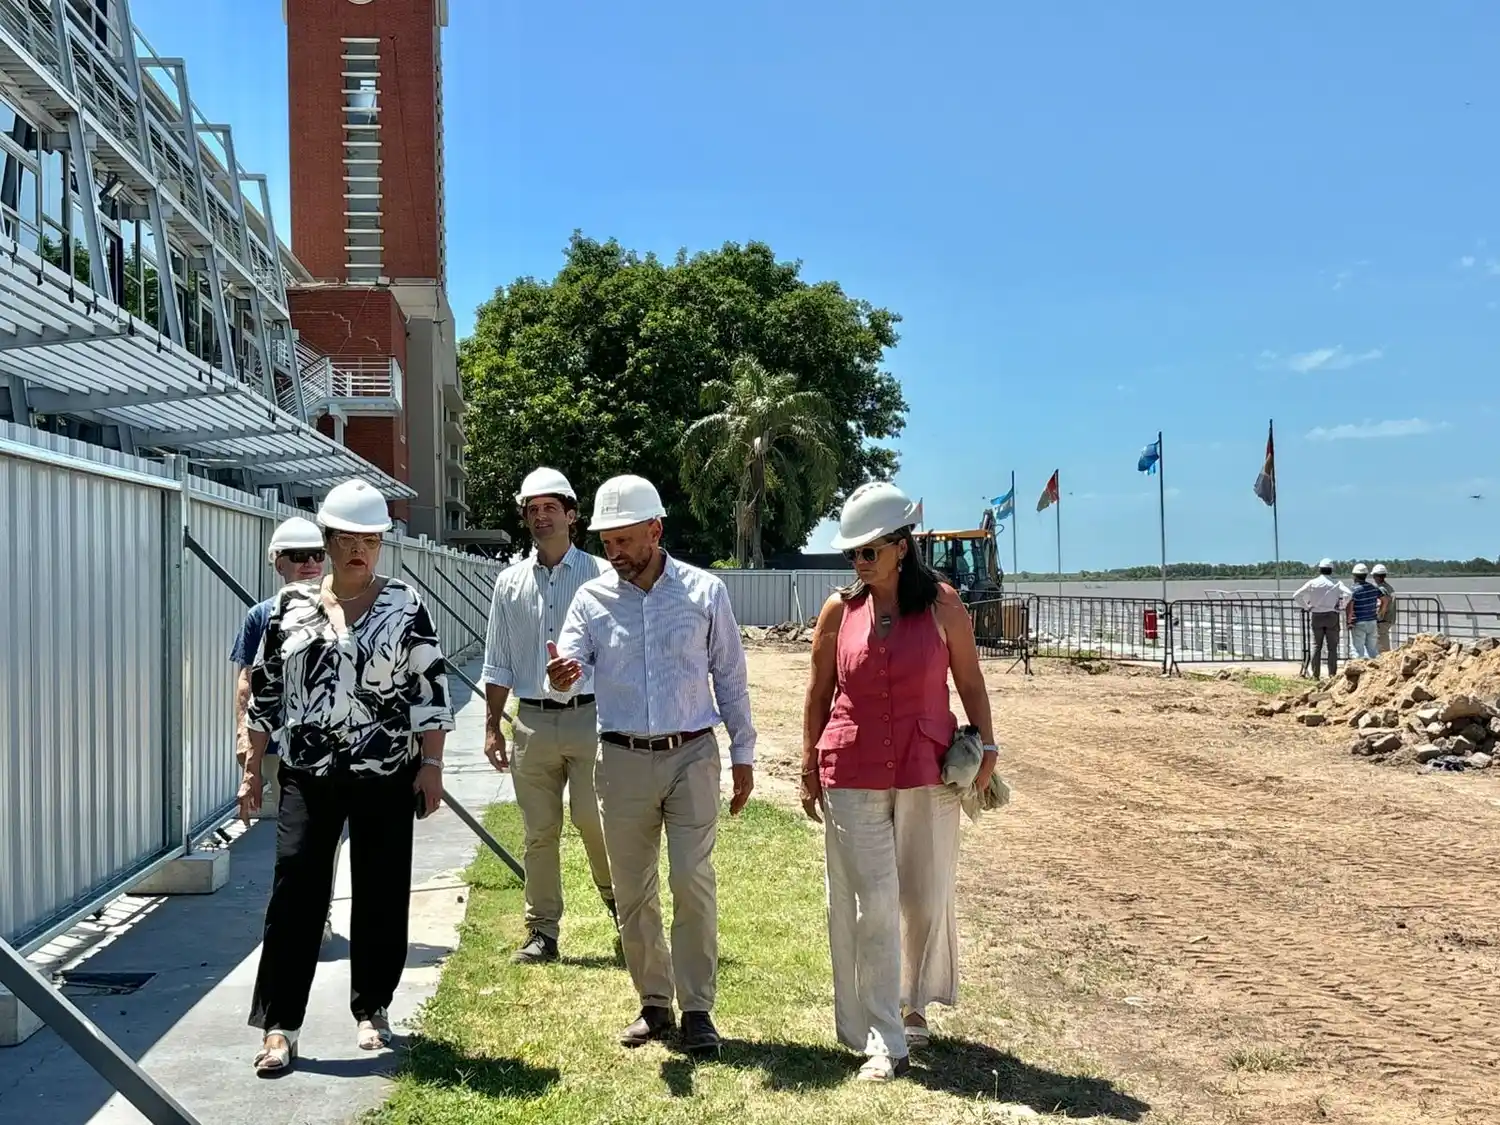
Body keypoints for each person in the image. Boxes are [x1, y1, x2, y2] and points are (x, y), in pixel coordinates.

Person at [238, 478, 454, 1075]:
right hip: (308, 773)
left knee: (382, 889)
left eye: (372, 541)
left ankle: (373, 1009)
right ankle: (280, 1025)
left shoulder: (405, 605)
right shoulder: (290, 608)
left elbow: (429, 692)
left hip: (386, 772)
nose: (361, 550)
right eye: (349, 539)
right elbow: (265, 692)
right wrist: (251, 764)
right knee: (295, 891)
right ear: (328, 541)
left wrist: (431, 764)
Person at [546, 474, 755, 1055]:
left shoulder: (704, 592)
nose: (614, 555)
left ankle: (698, 1010)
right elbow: (569, 665)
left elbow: (731, 678)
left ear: (655, 530)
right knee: (635, 890)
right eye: (607, 543)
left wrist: (743, 754)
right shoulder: (592, 599)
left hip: (692, 753)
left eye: (624, 541)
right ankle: (654, 1005)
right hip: (621, 760)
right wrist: (560, 677)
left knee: (692, 879)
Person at [799, 481, 997, 1083]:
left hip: (926, 768)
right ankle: (885, 1036)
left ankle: (913, 1004)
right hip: (851, 769)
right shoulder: (839, 610)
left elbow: (970, 679)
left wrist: (987, 745)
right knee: (873, 902)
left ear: (901, 547)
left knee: (922, 897)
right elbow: (818, 690)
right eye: (852, 554)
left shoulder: (942, 606)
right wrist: (808, 764)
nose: (858, 563)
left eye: (869, 552)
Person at [482, 467, 615, 965]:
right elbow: (499, 659)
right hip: (532, 722)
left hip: (591, 718)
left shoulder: (603, 576)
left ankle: (620, 908)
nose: (540, 517)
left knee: (595, 819)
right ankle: (543, 933)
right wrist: (494, 725)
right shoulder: (509, 584)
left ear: (572, 515)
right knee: (538, 831)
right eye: (532, 509)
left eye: (550, 508)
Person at [232, 517, 326, 818]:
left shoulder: (341, 610)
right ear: (279, 564)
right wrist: (243, 736)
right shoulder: (262, 616)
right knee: (297, 821)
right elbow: (247, 680)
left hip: (329, 742)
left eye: (317, 555)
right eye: (299, 556)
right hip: (274, 741)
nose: (310, 562)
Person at [1293, 559, 1350, 680]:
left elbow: (1296, 595)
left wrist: (1307, 607)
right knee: (1332, 647)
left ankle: (1315, 675)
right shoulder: (1336, 583)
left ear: (1320, 569)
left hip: (1316, 615)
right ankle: (1332, 675)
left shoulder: (1312, 583)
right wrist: (1341, 606)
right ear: (1331, 570)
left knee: (1316, 646)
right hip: (1332, 615)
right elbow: (1349, 593)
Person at [1347, 563, 1385, 660]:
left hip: (1359, 622)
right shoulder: (1373, 588)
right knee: (1372, 649)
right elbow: (1386, 599)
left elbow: (1350, 606)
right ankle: (1375, 670)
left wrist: (1349, 621)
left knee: (1357, 649)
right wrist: (1380, 613)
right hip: (1372, 621)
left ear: (1354, 576)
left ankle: (1358, 671)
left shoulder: (1353, 590)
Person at [1373, 564, 1397, 653]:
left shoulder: (1381, 589)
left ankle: (1384, 664)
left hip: (1382, 621)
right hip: (1388, 619)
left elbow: (1382, 605)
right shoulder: (1389, 587)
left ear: (1376, 576)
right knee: (1383, 641)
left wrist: (1377, 618)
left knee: (1382, 646)